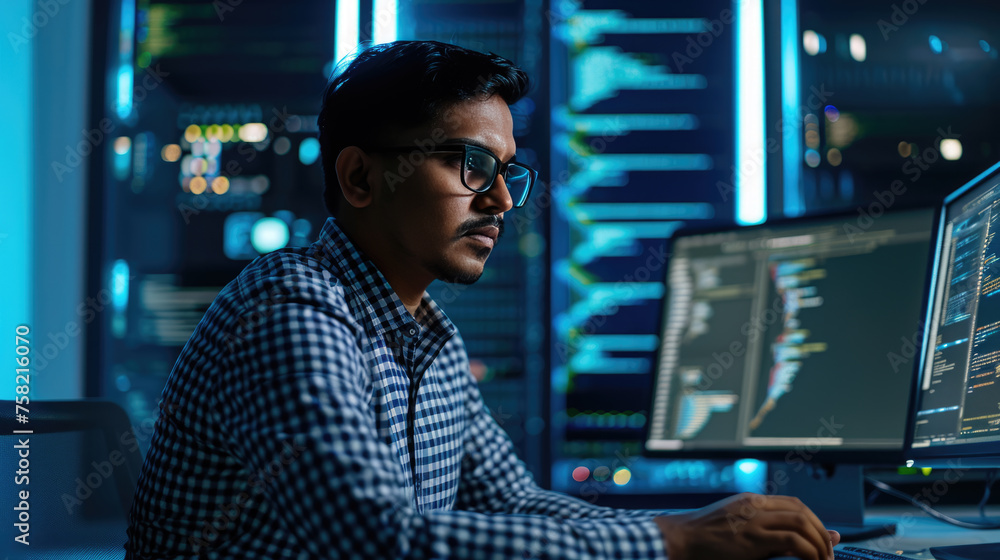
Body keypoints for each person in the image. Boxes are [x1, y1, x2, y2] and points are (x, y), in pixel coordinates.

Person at [126, 40, 840, 559]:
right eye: (470, 165)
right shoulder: (291, 314)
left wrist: (718, 528)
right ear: (361, 178)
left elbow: (516, 504)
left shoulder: (428, 335)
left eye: (504, 171)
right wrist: (672, 540)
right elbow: (376, 540)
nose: (500, 199)